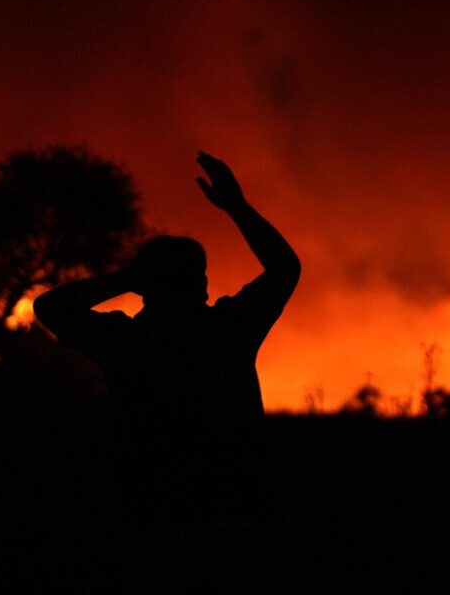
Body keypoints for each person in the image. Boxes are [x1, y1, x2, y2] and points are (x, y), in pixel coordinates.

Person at [34, 151, 300, 519]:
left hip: (145, 504)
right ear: (203, 284)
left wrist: (127, 278)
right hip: (231, 505)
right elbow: (285, 268)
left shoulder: (123, 341)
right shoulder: (229, 329)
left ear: (144, 287)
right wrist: (237, 207)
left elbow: (49, 307)